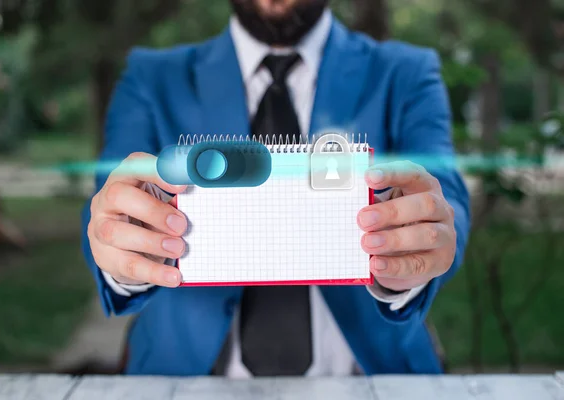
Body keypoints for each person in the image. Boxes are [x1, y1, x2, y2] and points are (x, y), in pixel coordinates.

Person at [82, 0, 470, 376]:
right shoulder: (151, 76)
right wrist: (124, 252)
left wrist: (417, 250)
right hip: (184, 373)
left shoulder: (405, 72)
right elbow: (107, 206)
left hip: (369, 370)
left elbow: (446, 202)